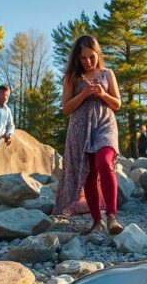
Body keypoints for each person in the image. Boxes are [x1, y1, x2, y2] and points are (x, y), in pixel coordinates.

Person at [52, 35, 124, 235]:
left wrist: (103, 94)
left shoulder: (108, 74)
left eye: (91, 56)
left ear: (98, 53)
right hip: (80, 129)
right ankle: (96, 221)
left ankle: (112, 217)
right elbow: (66, 109)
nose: (88, 61)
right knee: (89, 173)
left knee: (104, 162)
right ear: (77, 58)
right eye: (83, 58)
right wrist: (83, 94)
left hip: (105, 124)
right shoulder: (71, 77)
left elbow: (117, 104)